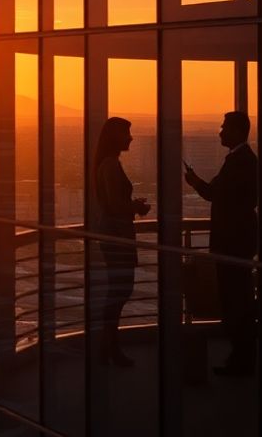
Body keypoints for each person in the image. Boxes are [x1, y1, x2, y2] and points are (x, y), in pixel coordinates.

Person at [183, 110, 258, 375]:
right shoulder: (242, 160)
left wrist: (195, 183)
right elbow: (220, 194)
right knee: (238, 299)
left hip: (232, 243)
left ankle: (241, 358)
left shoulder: (239, 162)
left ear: (237, 131)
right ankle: (241, 357)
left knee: (235, 300)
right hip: (238, 242)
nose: (220, 131)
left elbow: (217, 194)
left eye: (224, 127)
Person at [93, 116, 150, 367]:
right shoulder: (110, 165)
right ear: (115, 136)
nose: (131, 137)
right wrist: (135, 207)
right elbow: (115, 204)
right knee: (119, 291)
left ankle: (108, 347)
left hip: (115, 234)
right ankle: (109, 348)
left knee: (118, 291)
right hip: (117, 236)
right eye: (127, 133)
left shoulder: (108, 163)